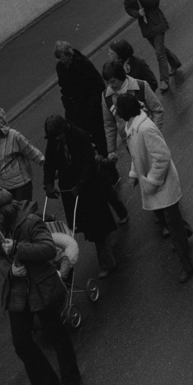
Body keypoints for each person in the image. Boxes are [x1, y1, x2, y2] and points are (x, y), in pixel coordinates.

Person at [0, 188, 81, 385]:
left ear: (4, 210)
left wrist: (17, 248)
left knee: (56, 334)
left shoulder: (31, 221)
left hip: (40, 286)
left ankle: (71, 376)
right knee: (21, 342)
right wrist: (10, 270)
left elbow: (47, 249)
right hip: (17, 290)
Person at [116, 91, 193, 284]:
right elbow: (138, 155)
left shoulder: (145, 129)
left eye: (118, 110)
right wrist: (134, 175)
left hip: (162, 184)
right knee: (171, 221)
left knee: (173, 227)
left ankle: (188, 266)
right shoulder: (133, 128)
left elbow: (162, 157)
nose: (117, 113)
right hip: (156, 185)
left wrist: (151, 181)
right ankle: (184, 233)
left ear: (126, 111)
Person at [43, 115, 119, 278]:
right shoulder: (54, 140)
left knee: (98, 225)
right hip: (71, 191)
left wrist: (80, 184)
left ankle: (107, 262)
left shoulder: (80, 136)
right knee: (86, 225)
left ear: (64, 131)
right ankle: (105, 242)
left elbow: (89, 164)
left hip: (89, 188)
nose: (56, 139)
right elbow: (49, 163)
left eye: (58, 136)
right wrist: (48, 184)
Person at [124, 0, 181, 92]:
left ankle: (164, 80)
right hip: (146, 26)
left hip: (157, 22)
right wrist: (137, 13)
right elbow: (128, 7)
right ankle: (174, 62)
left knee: (159, 53)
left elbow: (153, 2)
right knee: (160, 49)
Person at [101, 62, 165, 166]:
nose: (111, 86)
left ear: (121, 76)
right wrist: (111, 150)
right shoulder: (106, 97)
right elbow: (109, 124)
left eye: (113, 81)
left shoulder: (141, 86)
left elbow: (157, 110)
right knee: (142, 169)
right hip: (131, 143)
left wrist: (154, 133)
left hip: (149, 138)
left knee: (159, 166)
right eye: (108, 82)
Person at [54, 42, 108, 158]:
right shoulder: (60, 67)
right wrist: (67, 104)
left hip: (91, 111)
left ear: (70, 55)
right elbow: (63, 88)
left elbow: (99, 85)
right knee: (82, 142)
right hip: (74, 112)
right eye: (60, 59)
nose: (63, 62)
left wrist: (91, 106)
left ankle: (107, 166)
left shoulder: (83, 64)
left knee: (99, 139)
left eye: (64, 59)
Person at [0, 107, 44, 202]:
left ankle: (48, 218)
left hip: (21, 185)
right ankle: (47, 218)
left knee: (23, 213)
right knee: (13, 214)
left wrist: (46, 166)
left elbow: (31, 151)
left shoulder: (14, 136)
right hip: (4, 187)